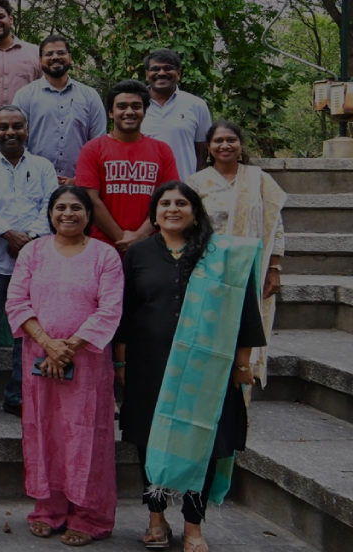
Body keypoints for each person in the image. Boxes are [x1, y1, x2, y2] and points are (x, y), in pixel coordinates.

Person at [118, 182, 265, 552]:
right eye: (164, 203)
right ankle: (156, 521)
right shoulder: (138, 255)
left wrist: (242, 364)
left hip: (209, 368)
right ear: (154, 214)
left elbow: (244, 310)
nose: (172, 208)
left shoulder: (222, 255)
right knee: (150, 442)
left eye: (181, 203)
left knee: (206, 443)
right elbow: (126, 313)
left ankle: (193, 526)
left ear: (194, 212)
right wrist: (120, 361)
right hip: (149, 365)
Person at [5, 186, 124, 545]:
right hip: (39, 359)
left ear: (89, 214)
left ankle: (90, 517)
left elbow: (109, 309)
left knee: (86, 437)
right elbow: (17, 300)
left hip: (87, 363)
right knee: (44, 433)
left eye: (76, 207)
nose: (67, 213)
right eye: (60, 207)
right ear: (50, 213)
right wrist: (47, 344)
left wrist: (69, 347)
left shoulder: (104, 255)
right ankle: (48, 510)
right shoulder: (33, 251)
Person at [0, 105, 57, 420]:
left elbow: (50, 206)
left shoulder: (44, 167)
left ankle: (21, 393)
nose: (10, 132)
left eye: (17, 126)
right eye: (3, 127)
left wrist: (29, 241)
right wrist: (10, 236)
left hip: (33, 262)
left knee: (27, 330)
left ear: (27, 130)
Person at [188, 121, 285, 383]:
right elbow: (188, 228)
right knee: (211, 329)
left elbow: (275, 225)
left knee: (246, 330)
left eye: (231, 139)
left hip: (252, 269)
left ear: (240, 145)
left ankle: (242, 397)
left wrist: (274, 269)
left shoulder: (260, 180)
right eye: (218, 141)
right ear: (209, 147)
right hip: (210, 269)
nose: (225, 145)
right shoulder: (196, 182)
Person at [76, 80, 179, 254]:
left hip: (152, 244)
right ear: (110, 112)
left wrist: (140, 236)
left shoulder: (162, 150)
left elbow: (169, 199)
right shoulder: (92, 149)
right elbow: (90, 199)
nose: (129, 112)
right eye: (122, 106)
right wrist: (121, 238)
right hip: (103, 246)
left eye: (136, 106)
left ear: (144, 112)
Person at [11, 35, 107, 183]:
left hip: (79, 184)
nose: (55, 57)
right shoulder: (25, 95)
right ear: (40, 60)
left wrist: (80, 179)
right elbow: (17, 141)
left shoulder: (89, 96)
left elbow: (98, 143)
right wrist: (31, 174)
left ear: (70, 57)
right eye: (49, 54)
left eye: (61, 53)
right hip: (34, 182)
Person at [139, 49, 212, 180]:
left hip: (183, 189)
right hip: (143, 189)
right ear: (147, 74)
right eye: (155, 69)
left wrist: (195, 187)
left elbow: (204, 152)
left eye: (168, 68)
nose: (161, 73)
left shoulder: (196, 105)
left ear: (178, 73)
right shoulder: (134, 106)